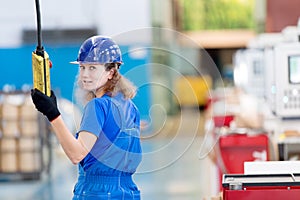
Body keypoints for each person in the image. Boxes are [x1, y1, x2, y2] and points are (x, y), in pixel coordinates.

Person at [31, 35, 142, 200]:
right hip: (127, 192)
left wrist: (52, 114)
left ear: (111, 72)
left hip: (98, 193)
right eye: (82, 67)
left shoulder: (97, 106)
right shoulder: (129, 106)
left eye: (92, 68)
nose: (85, 74)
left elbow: (77, 154)